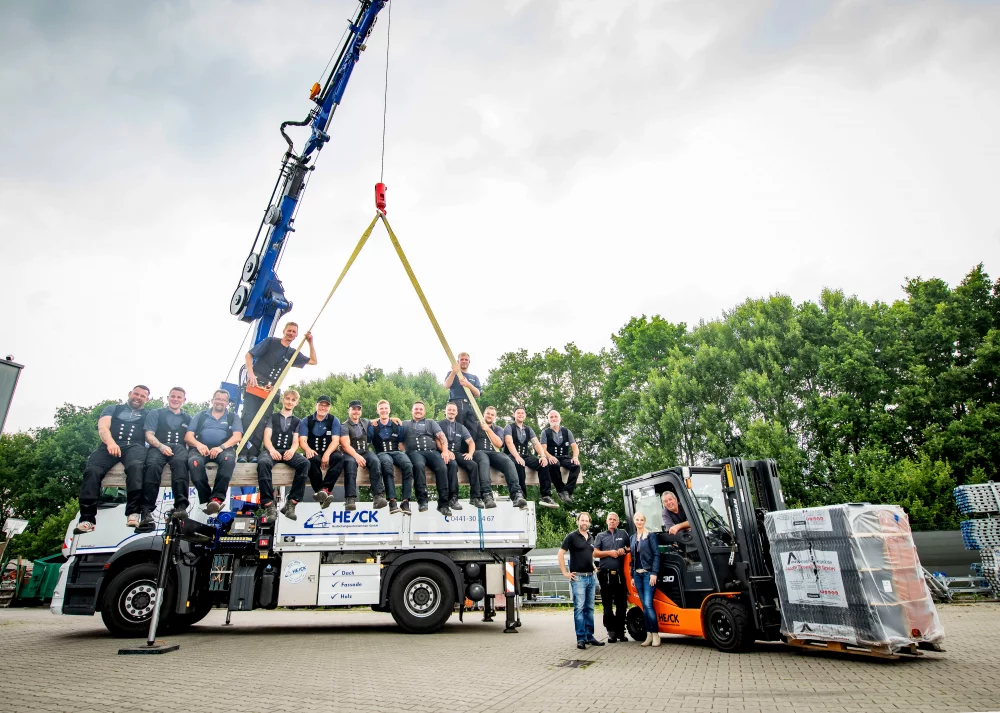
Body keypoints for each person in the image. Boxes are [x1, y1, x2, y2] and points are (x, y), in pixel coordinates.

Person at [74, 385, 151, 534]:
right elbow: (103, 427)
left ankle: (133, 512)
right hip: (110, 444)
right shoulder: (113, 409)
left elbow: (150, 433)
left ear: (147, 399)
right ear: (130, 394)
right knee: (92, 470)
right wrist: (110, 443)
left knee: (136, 467)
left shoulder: (148, 414)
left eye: (143, 396)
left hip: (134, 446)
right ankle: (87, 518)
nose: (138, 398)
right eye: (136, 394)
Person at [241, 322, 317, 459]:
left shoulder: (292, 353)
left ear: (296, 335)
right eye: (289, 331)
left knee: (263, 420)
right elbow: (249, 355)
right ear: (284, 331)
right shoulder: (271, 342)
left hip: (270, 389)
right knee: (248, 416)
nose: (291, 334)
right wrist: (250, 374)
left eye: (294, 332)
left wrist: (310, 342)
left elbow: (313, 361)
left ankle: (253, 453)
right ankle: (242, 451)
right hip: (256, 383)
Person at [185, 390, 244, 514]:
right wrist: (198, 445)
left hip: (224, 448)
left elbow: (237, 436)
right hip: (201, 448)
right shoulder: (200, 415)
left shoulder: (233, 417)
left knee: (228, 460)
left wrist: (221, 447)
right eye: (218, 399)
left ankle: (217, 499)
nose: (220, 402)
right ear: (212, 400)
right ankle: (208, 500)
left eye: (223, 400)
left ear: (227, 403)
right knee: (194, 462)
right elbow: (188, 436)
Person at [257, 390, 311, 521]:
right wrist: (272, 450)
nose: (290, 402)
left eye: (293, 400)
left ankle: (291, 503)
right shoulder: (273, 417)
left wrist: (293, 450)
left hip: (287, 451)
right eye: (287, 399)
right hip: (271, 450)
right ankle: (269, 504)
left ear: (296, 403)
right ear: (283, 399)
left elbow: (295, 440)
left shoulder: (298, 421)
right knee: (263, 463)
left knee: (305, 463)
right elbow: (267, 438)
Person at [143, 386, 192, 522]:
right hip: (158, 445)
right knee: (152, 465)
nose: (175, 399)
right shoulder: (156, 413)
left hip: (179, 448)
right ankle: (146, 510)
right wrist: (160, 446)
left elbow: (192, 438)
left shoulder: (188, 418)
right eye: (173, 396)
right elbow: (149, 434)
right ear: (168, 397)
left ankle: (181, 506)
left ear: (184, 400)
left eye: (179, 397)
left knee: (181, 463)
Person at [558, 511, 605, 650]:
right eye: (582, 520)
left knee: (589, 608)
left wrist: (593, 566)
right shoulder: (571, 537)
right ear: (577, 522)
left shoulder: (591, 537)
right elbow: (560, 554)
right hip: (578, 578)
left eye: (586, 521)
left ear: (589, 523)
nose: (584, 523)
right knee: (579, 608)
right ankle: (581, 638)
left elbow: (588, 555)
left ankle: (590, 636)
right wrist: (565, 572)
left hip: (591, 577)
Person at [470, 406, 527, 510]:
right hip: (478, 452)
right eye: (488, 413)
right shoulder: (476, 426)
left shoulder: (498, 429)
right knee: (484, 461)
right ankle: (487, 495)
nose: (490, 416)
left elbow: (500, 443)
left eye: (492, 415)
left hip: (493, 453)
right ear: (483, 414)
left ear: (495, 417)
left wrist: (488, 430)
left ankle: (517, 494)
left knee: (507, 461)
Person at [400, 401, 451, 516]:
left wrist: (445, 451)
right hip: (414, 452)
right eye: (416, 409)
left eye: (420, 409)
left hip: (432, 452)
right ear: (412, 410)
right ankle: (422, 501)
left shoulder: (431, 422)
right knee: (418, 466)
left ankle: (443, 504)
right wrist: (405, 452)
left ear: (424, 411)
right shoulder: (405, 424)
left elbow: (442, 436)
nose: (418, 411)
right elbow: (400, 442)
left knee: (442, 467)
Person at [504, 406, 558, 509]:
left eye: (522, 413)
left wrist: (542, 456)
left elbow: (536, 443)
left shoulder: (528, 429)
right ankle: (520, 497)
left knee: (543, 464)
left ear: (525, 415)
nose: (520, 415)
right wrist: (516, 456)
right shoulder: (509, 427)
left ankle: (546, 496)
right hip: (511, 455)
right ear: (514, 415)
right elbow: (509, 442)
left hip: (525, 455)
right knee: (519, 465)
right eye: (518, 413)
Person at [340, 400, 389, 511]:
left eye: (358, 409)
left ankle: (378, 496)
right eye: (354, 409)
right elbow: (345, 446)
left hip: (364, 451)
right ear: (349, 410)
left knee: (375, 461)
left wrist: (394, 419)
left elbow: (380, 420)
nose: (356, 412)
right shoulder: (344, 426)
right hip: (350, 452)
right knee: (350, 464)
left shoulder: (365, 422)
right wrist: (357, 456)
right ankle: (350, 499)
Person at [298, 395, 344, 508]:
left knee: (339, 458)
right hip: (313, 451)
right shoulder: (306, 420)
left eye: (326, 406)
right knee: (312, 460)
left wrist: (327, 454)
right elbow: (302, 440)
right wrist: (308, 449)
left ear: (329, 407)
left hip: (329, 450)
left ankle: (325, 489)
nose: (323, 408)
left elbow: (335, 440)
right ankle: (322, 493)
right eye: (321, 405)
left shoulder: (334, 420)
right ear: (316, 405)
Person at [593, 512, 630, 642]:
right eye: (610, 519)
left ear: (618, 522)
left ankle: (621, 631)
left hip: (619, 575)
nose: (612, 521)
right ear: (606, 521)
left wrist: (624, 551)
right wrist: (609, 552)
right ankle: (611, 632)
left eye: (615, 519)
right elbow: (595, 553)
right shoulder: (600, 536)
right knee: (607, 605)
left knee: (622, 605)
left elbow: (630, 548)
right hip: (605, 575)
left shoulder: (623, 534)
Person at [368, 400, 409, 515]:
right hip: (382, 453)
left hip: (396, 452)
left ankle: (405, 501)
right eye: (381, 409)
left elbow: (401, 444)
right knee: (387, 465)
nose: (384, 410)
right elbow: (365, 433)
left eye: (386, 408)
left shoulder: (397, 424)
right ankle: (392, 501)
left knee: (408, 465)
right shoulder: (373, 426)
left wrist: (405, 453)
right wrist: (373, 421)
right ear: (377, 411)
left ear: (389, 410)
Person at [630, 511, 661, 647]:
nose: (639, 522)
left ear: (644, 521)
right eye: (637, 519)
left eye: (641, 520)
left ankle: (656, 634)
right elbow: (633, 559)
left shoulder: (650, 536)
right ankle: (648, 635)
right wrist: (632, 575)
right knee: (643, 606)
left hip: (648, 574)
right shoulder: (632, 538)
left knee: (648, 605)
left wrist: (654, 573)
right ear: (634, 521)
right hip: (637, 575)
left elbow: (656, 555)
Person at [438, 402, 476, 511]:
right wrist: (445, 450)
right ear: (445, 411)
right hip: (443, 452)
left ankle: (475, 497)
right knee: (453, 465)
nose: (451, 412)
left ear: (457, 413)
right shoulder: (439, 424)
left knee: (473, 465)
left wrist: (470, 454)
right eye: (449, 410)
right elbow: (436, 440)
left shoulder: (461, 427)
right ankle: (453, 498)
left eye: (453, 410)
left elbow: (471, 443)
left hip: (457, 453)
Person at [539, 410, 581, 504]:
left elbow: (574, 446)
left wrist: (575, 457)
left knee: (576, 466)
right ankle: (561, 490)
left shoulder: (566, 431)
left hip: (565, 457)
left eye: (555, 417)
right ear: (549, 420)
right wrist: (549, 457)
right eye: (551, 417)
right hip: (552, 457)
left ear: (560, 419)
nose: (554, 419)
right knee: (554, 464)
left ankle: (567, 492)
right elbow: (543, 449)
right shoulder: (545, 432)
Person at [443, 351, 481, 435]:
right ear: (458, 361)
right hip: (456, 404)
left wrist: (468, 384)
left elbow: (478, 394)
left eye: (466, 360)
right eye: (462, 359)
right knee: (457, 430)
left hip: (470, 405)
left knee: (472, 430)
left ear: (469, 362)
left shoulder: (474, 378)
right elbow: (446, 386)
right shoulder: (451, 373)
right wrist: (454, 372)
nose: (464, 361)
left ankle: (469, 447)